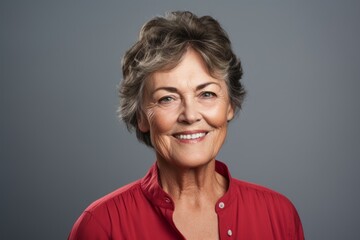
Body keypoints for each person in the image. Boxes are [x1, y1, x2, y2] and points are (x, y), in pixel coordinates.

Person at [68, 11, 304, 239]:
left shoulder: (279, 216)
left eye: (207, 94)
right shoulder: (101, 226)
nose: (190, 115)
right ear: (140, 116)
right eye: (167, 98)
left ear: (230, 105)